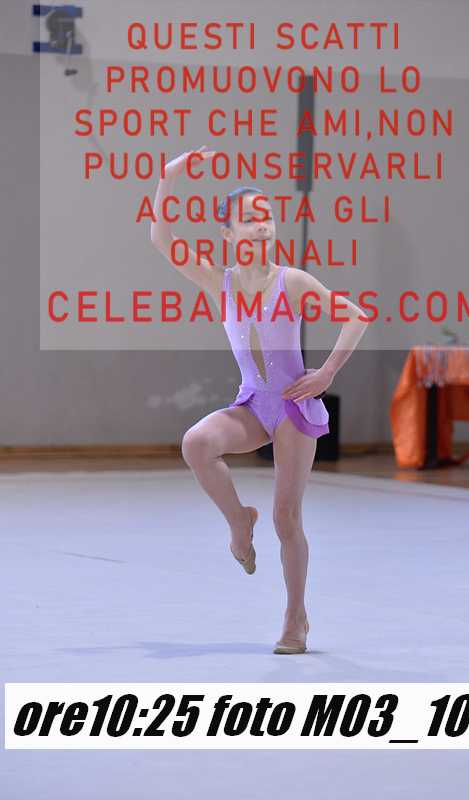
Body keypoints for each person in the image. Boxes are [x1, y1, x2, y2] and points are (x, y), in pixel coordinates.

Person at [150, 146, 369, 654]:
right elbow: (160, 238)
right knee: (197, 443)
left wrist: (326, 373)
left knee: (286, 518)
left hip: (292, 408)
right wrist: (168, 175)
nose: (263, 226)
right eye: (250, 219)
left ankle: (296, 618)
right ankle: (237, 522)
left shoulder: (292, 281)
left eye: (267, 216)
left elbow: (355, 316)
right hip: (252, 404)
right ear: (228, 233)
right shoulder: (219, 280)